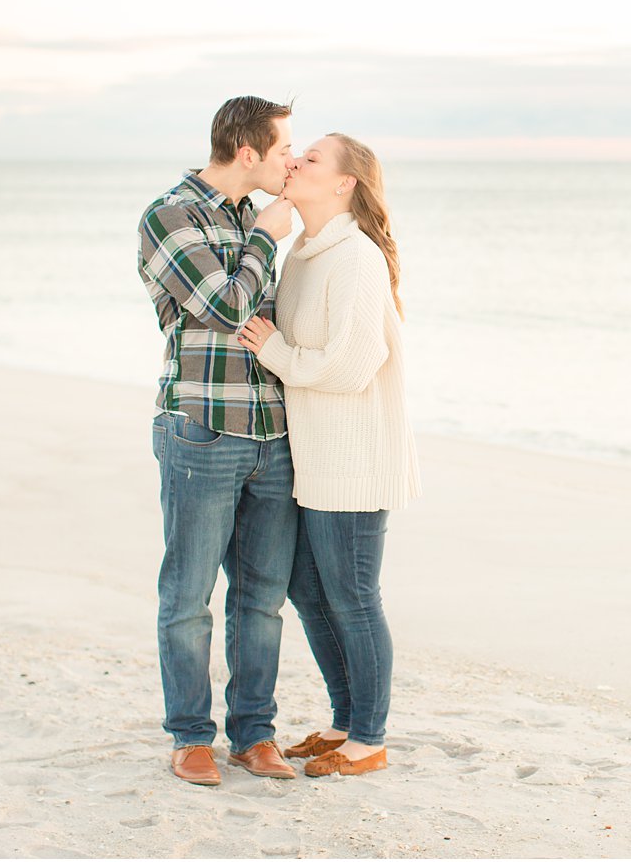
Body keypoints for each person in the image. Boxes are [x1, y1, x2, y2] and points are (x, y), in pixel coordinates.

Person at [236, 132, 421, 778]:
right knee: (311, 592)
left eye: (310, 158)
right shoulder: (304, 252)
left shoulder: (355, 258)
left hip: (355, 455)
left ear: (344, 183)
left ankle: (368, 739)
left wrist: (274, 352)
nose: (293, 161)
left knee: (352, 596)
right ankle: (344, 722)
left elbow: (349, 366)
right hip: (312, 455)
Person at [137, 96, 302, 786]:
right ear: (247, 152)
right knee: (188, 594)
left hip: (271, 429)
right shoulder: (171, 213)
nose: (291, 161)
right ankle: (190, 736)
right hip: (203, 430)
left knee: (262, 598)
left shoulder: (247, 216)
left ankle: (254, 734)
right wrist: (270, 235)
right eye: (283, 149)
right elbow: (228, 307)